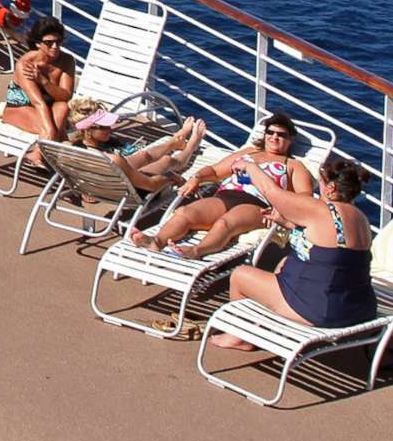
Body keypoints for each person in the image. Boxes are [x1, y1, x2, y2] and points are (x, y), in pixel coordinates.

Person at [216, 154, 377, 342]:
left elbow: (271, 191)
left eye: (321, 183)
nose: (319, 188)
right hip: (357, 309)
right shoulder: (361, 219)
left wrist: (250, 167)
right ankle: (261, 325)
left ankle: (236, 337)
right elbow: (330, 244)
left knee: (240, 275)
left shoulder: (319, 208)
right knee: (285, 262)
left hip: (320, 311)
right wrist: (286, 223)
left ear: (331, 188)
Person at [129, 112, 314, 255]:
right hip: (227, 195)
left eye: (281, 134)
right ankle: (157, 241)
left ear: (291, 139)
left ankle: (195, 251)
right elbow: (216, 171)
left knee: (225, 223)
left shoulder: (293, 165)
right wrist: (198, 177)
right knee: (185, 212)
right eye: (270, 132)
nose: (274, 137)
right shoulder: (249, 152)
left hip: (258, 205)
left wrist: (282, 210)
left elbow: (304, 197)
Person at [0, 17, 83, 140]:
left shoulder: (67, 60)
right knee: (50, 131)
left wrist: (43, 81)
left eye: (58, 41)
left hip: (48, 107)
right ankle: (42, 153)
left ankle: (39, 153)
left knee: (63, 107)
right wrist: (50, 131)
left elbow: (65, 96)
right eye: (49, 42)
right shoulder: (26, 64)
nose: (55, 46)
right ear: (38, 43)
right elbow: (38, 103)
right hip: (20, 108)